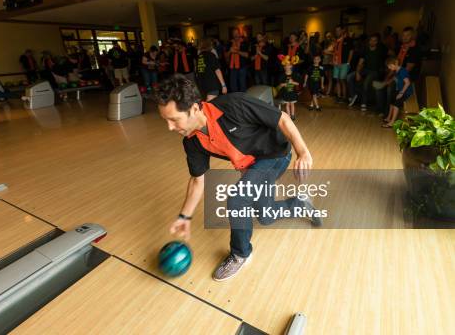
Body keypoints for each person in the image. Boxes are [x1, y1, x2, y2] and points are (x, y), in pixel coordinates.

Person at [155, 75, 320, 282]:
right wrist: (184, 217)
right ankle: (299, 203)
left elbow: (282, 119)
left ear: (195, 109)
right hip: (251, 165)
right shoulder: (191, 141)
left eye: (174, 119)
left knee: (238, 198)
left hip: (275, 155)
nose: (170, 127)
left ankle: (240, 254)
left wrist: (303, 152)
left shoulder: (234, 104)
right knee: (265, 216)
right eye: (166, 121)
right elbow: (198, 180)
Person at [347, 34, 387, 111]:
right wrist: (358, 73)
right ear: (369, 41)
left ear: (377, 42)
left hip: (375, 71)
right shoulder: (365, 50)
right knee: (349, 77)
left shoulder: (380, 50)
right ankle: (353, 95)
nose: (372, 42)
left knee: (366, 82)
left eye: (374, 40)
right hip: (365, 70)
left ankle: (363, 102)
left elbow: (391, 54)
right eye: (371, 40)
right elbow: (360, 63)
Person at [382, 56, 412, 128]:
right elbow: (395, 80)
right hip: (400, 90)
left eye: (390, 66)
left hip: (406, 92)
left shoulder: (402, 71)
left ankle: (392, 123)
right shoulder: (397, 71)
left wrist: (401, 93)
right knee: (391, 100)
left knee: (396, 103)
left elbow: (407, 83)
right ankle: (389, 118)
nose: (389, 68)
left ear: (395, 64)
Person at [332, 25, 354, 103]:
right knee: (337, 80)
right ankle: (339, 96)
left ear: (342, 31)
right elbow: (334, 51)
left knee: (342, 80)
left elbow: (351, 51)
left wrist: (348, 62)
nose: (337, 32)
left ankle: (344, 97)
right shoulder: (335, 41)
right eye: (336, 30)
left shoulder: (348, 40)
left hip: (344, 63)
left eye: (339, 30)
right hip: (336, 63)